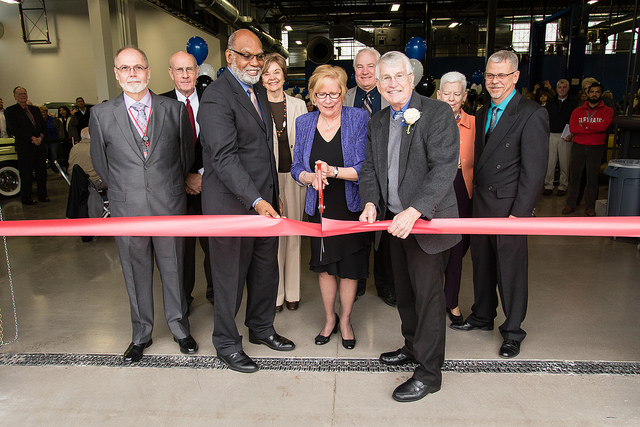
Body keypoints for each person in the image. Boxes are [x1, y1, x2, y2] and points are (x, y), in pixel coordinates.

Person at [359, 51, 460, 402]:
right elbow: (370, 168)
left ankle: (430, 373)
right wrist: (371, 202)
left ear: (412, 77)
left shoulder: (436, 113)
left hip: (425, 224)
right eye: (385, 78)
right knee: (405, 294)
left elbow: (445, 168)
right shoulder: (378, 121)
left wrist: (415, 210)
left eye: (398, 76)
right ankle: (413, 347)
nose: (392, 84)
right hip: (393, 224)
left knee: (429, 299)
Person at [89, 46, 197, 363]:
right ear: (116, 74)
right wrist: (129, 189)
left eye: (138, 67)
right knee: (135, 274)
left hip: (169, 205)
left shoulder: (173, 111)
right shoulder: (101, 114)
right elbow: (101, 163)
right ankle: (141, 335)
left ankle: (180, 328)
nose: (132, 74)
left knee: (174, 269)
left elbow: (185, 157)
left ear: (149, 72)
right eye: (125, 68)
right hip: (127, 209)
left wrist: (165, 187)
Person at [198, 29, 295, 374]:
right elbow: (223, 158)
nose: (254, 63)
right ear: (229, 57)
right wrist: (255, 199)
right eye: (247, 56)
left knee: (264, 270)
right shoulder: (216, 98)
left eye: (258, 56)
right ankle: (226, 342)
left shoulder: (253, 91)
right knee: (229, 278)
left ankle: (261, 328)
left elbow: (262, 151)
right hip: (231, 206)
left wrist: (272, 194)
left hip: (263, 203)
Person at [451, 50, 549, 360]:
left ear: (515, 77)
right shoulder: (482, 112)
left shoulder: (532, 114)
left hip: (509, 209)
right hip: (481, 204)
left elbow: (534, 173)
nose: (494, 81)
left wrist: (518, 214)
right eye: (490, 75)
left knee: (511, 271)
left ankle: (513, 331)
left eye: (501, 76)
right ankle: (482, 316)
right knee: (481, 265)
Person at [291, 65, 369, 350]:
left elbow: (364, 168)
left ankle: (346, 319)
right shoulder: (304, 123)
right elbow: (296, 166)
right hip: (319, 209)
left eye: (334, 94)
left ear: (343, 94)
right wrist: (309, 177)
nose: (328, 100)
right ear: (312, 94)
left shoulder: (359, 118)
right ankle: (329, 319)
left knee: (349, 268)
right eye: (321, 94)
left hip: (349, 207)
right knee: (325, 268)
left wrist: (334, 171)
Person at [160, 51, 214, 309]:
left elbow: (223, 145)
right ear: (171, 73)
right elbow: (157, 152)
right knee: (181, 252)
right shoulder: (159, 105)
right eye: (179, 70)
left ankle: (217, 294)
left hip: (211, 186)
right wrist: (184, 177)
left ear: (197, 71)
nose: (185, 75)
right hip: (175, 190)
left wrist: (202, 175)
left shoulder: (212, 100)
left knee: (214, 247)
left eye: (189, 69)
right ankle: (183, 299)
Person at [345, 47, 395, 306]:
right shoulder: (344, 96)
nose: (365, 72)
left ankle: (386, 285)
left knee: (385, 233)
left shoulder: (392, 95)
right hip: (352, 175)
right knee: (356, 232)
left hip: (385, 174)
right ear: (354, 72)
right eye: (360, 67)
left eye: (370, 66)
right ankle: (358, 281)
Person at [262, 53, 307, 312]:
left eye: (276, 72)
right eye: (267, 73)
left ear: (284, 75)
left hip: (295, 176)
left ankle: (292, 293)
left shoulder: (298, 104)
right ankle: (276, 295)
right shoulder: (255, 103)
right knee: (274, 238)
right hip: (269, 177)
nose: (272, 77)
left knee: (294, 236)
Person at [436, 71, 475, 327]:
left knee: (457, 248)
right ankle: (432, 299)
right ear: (438, 94)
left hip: (462, 187)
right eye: (446, 93)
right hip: (435, 187)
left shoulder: (474, 124)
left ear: (464, 96)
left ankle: (451, 300)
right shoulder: (426, 121)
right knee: (432, 247)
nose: (451, 98)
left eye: (456, 94)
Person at [562, 82, 614, 217]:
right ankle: (570, 204)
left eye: (597, 92)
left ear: (600, 94)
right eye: (592, 92)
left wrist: (584, 125)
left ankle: (590, 206)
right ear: (587, 93)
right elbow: (574, 129)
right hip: (578, 146)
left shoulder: (607, 110)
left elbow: (604, 126)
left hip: (596, 148)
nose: (594, 94)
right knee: (575, 177)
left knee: (592, 179)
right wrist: (592, 127)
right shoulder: (577, 110)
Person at [4, 86, 48, 205]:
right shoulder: (11, 110)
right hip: (25, 147)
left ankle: (42, 195)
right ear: (15, 96)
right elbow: (14, 129)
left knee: (42, 172)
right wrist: (31, 138)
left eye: (24, 93)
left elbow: (42, 125)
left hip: (39, 145)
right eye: (20, 94)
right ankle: (26, 198)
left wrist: (40, 137)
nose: (23, 96)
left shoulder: (35, 109)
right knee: (26, 174)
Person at [543, 79, 578, 197]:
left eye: (564, 87)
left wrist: (572, 133)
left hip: (566, 136)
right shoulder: (551, 102)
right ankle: (548, 185)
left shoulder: (573, 103)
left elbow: (576, 120)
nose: (562, 89)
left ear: (568, 88)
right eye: (559, 87)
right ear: (556, 88)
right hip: (551, 135)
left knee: (564, 163)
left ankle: (563, 186)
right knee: (550, 163)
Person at [39, 105, 63, 173]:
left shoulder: (52, 118)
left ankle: (56, 169)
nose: (43, 114)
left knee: (54, 155)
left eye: (44, 112)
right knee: (44, 155)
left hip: (53, 139)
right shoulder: (39, 120)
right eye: (42, 112)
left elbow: (56, 126)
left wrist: (54, 118)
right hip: (44, 140)